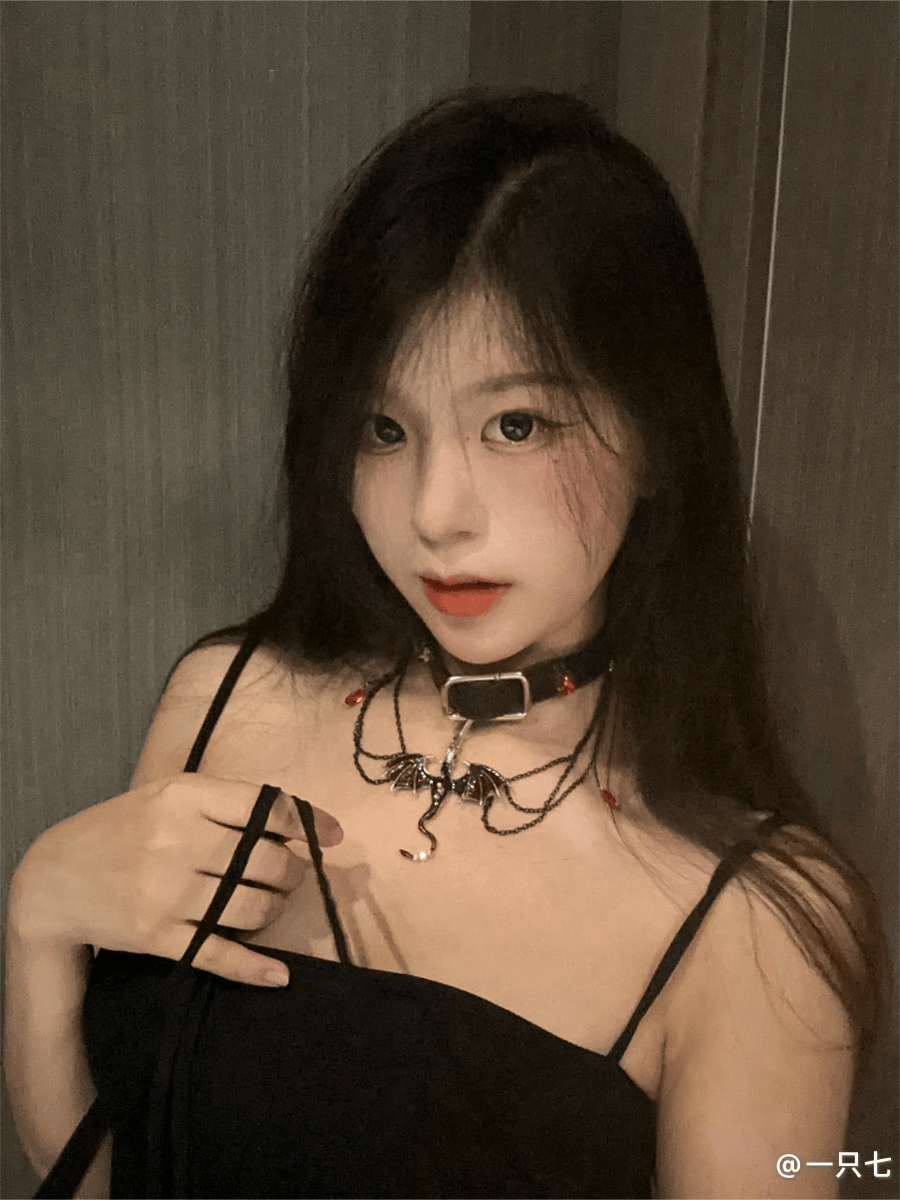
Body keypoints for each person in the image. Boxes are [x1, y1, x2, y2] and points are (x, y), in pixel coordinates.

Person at [5, 85, 885, 1200]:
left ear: (660, 435)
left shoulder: (755, 921)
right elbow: (108, 1171)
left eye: (516, 424)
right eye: (384, 428)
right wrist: (37, 923)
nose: (434, 512)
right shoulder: (225, 698)